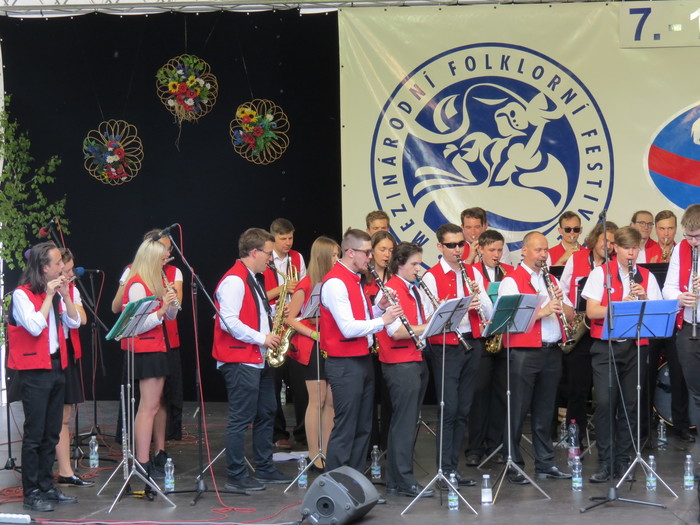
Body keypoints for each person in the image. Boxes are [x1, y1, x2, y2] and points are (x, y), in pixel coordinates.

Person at [213, 228, 293, 491]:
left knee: (266, 412)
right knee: (241, 418)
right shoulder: (234, 281)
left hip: (257, 357)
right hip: (240, 359)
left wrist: (275, 313)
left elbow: (254, 313)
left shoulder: (252, 278)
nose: (270, 259)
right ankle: (236, 476)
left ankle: (264, 468)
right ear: (254, 252)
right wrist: (263, 338)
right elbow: (228, 322)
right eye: (268, 253)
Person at [582, 226, 662, 482]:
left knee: (630, 405)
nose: (631, 254)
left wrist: (645, 297)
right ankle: (605, 462)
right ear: (615, 248)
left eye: (635, 249)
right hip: (606, 347)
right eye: (627, 248)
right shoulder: (600, 273)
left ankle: (623, 459)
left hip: (635, 347)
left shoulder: (646, 276)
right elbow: (592, 311)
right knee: (606, 404)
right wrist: (618, 307)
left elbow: (658, 313)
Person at [320, 229, 402, 473]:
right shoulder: (336, 283)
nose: (370, 257)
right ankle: (335, 482)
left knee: (363, 426)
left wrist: (379, 308)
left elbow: (361, 319)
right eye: (366, 252)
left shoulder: (355, 279)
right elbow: (347, 328)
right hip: (344, 363)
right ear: (350, 252)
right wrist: (384, 320)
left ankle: (354, 480)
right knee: (346, 426)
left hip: (361, 359)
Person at [8, 241, 81, 511]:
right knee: (35, 434)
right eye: (58, 263)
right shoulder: (22, 295)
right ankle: (32, 492)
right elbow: (35, 327)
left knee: (51, 433)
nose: (63, 267)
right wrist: (50, 296)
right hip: (34, 371)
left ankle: (47, 485)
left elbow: (74, 322)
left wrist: (66, 296)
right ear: (44, 267)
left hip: (56, 366)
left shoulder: (59, 293)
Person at [498, 231, 574, 484]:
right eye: (538, 250)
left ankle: (545, 463)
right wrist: (543, 311)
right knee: (518, 410)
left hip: (552, 351)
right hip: (524, 352)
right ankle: (513, 463)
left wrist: (562, 303)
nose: (543, 255)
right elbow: (509, 320)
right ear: (524, 250)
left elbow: (571, 315)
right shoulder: (511, 280)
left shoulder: (551, 279)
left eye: (545, 250)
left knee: (545, 411)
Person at [421, 223, 492, 487]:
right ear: (440, 247)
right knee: (448, 409)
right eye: (451, 245)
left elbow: (489, 311)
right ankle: (444, 469)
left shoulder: (472, 272)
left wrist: (478, 298)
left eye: (461, 244)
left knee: (463, 409)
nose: (457, 249)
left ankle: (453, 469)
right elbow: (428, 319)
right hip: (445, 347)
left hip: (471, 342)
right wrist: (455, 308)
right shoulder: (431, 276)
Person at [111, 229, 184, 469]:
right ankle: (142, 462)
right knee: (147, 407)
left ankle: (146, 459)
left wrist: (171, 304)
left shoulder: (156, 280)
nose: (165, 263)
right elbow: (136, 325)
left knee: (153, 406)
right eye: (162, 259)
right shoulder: (137, 284)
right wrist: (161, 310)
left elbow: (170, 317)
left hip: (157, 347)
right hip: (145, 350)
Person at [374, 242, 433, 498]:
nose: (418, 269)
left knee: (407, 421)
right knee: (404, 422)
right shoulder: (390, 290)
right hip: (400, 363)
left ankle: (397, 479)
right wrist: (432, 325)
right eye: (414, 264)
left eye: (419, 263)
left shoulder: (414, 289)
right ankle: (403, 479)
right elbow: (396, 331)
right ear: (400, 264)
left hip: (415, 358)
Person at [285, 236, 340, 471]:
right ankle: (313, 452)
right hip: (312, 345)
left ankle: (326, 451)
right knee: (317, 399)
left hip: (330, 344)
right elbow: (290, 319)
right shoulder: (306, 284)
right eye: (333, 255)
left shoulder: (334, 282)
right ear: (321, 257)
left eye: (338, 254)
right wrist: (313, 333)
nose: (337, 259)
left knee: (331, 401)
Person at [558, 221, 617, 433]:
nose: (608, 246)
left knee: (606, 390)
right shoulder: (576, 258)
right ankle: (576, 435)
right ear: (594, 239)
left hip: (606, 330)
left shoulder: (616, 263)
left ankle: (605, 434)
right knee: (578, 388)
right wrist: (568, 310)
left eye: (612, 242)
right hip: (581, 330)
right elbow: (561, 289)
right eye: (604, 240)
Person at [464, 229, 512, 467]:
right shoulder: (471, 271)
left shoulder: (509, 273)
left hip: (504, 338)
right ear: (480, 249)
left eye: (500, 250)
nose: (496, 254)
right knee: (479, 394)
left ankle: (496, 444)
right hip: (481, 339)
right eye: (492, 250)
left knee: (501, 394)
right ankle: (475, 447)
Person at [262, 218, 307, 450]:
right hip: (271, 326)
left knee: (301, 385)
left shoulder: (297, 258)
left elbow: (305, 287)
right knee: (273, 384)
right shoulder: (264, 258)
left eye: (290, 238)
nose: (288, 243)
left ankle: (303, 432)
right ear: (273, 237)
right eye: (283, 239)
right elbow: (257, 294)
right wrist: (281, 290)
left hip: (293, 325)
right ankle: (278, 433)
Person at [55, 248, 93, 487]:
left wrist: (67, 297)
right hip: (48, 354)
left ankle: (65, 471)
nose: (71, 275)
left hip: (66, 351)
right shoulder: (39, 291)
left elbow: (81, 320)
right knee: (47, 415)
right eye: (66, 270)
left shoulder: (72, 291)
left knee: (65, 415)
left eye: (71, 270)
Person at [663, 205, 700, 444]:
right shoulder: (681, 248)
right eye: (689, 236)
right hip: (688, 326)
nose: (692, 242)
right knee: (696, 393)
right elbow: (668, 287)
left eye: (697, 237)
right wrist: (679, 297)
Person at [364, 230, 396, 453]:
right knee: (368, 399)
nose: (387, 255)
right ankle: (371, 445)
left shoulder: (395, 278)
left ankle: (388, 445)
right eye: (382, 249)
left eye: (390, 250)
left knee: (389, 398)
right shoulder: (363, 278)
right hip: (369, 344)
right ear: (372, 252)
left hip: (391, 344)